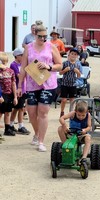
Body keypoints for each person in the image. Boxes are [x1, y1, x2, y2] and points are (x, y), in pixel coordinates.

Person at [17, 20, 62, 152]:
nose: (43, 39)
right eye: (40, 36)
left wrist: (49, 66)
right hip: (32, 84)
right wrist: (20, 86)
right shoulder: (29, 48)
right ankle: (36, 133)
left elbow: (60, 64)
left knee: (42, 111)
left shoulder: (51, 47)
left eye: (45, 36)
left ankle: (41, 141)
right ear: (34, 34)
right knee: (31, 112)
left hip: (48, 84)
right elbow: (23, 68)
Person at [9, 47, 30, 135]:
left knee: (20, 108)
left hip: (24, 89)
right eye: (21, 55)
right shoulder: (13, 65)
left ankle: (16, 125)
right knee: (18, 108)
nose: (23, 57)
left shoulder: (23, 64)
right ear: (17, 56)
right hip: (17, 89)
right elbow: (19, 75)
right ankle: (15, 125)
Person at [59, 48, 81, 117]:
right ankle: (62, 112)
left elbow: (79, 76)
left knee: (72, 100)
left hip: (73, 84)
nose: (73, 56)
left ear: (77, 56)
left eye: (75, 54)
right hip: (65, 84)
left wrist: (77, 72)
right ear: (69, 54)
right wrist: (65, 70)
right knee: (64, 100)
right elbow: (60, 73)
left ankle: (71, 113)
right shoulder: (65, 63)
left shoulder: (78, 65)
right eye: (72, 54)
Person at [0, 52, 18, 136]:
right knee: (0, 112)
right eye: (2, 62)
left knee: (8, 112)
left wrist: (15, 97)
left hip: (9, 94)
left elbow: (13, 83)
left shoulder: (10, 71)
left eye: (4, 61)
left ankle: (7, 129)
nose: (3, 63)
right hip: (1, 94)